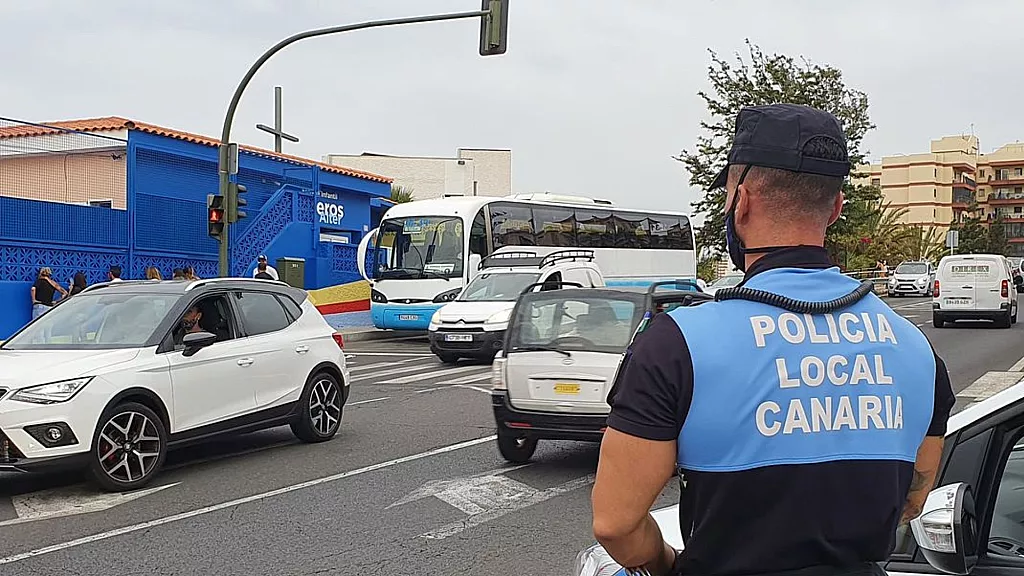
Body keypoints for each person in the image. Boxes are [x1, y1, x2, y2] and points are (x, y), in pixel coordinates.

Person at [591, 103, 956, 576]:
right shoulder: (915, 348)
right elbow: (913, 495)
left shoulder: (678, 343)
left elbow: (616, 524)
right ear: (837, 209)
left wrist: (665, 563)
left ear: (740, 203)